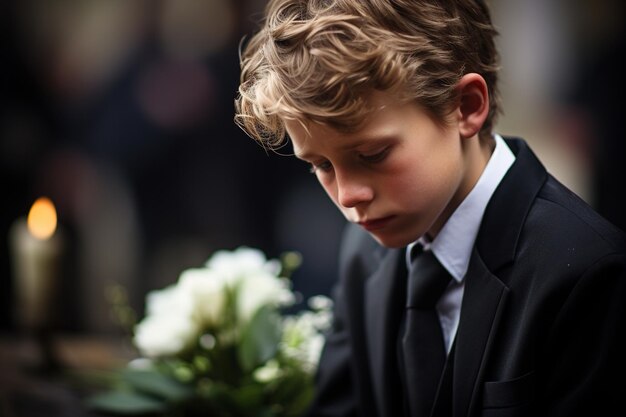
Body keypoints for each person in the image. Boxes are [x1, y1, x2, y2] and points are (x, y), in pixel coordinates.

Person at [234, 0, 626, 416]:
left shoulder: (590, 274)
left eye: (373, 154)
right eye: (322, 165)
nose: (348, 196)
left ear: (468, 107)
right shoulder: (363, 253)